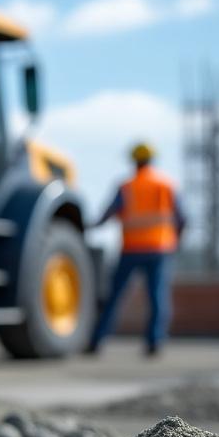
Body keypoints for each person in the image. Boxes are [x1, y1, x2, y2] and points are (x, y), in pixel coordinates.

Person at [88, 142, 187, 357]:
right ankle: (154, 342)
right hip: (160, 249)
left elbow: (109, 213)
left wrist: (89, 227)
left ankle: (96, 340)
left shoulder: (127, 186)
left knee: (114, 295)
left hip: (131, 249)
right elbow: (182, 218)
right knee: (157, 297)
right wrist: (176, 241)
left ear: (134, 161)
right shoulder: (166, 185)